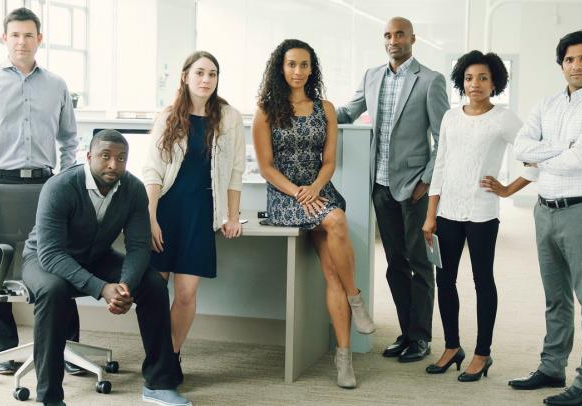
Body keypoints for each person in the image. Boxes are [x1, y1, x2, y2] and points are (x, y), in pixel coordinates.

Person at [22, 130, 190, 406]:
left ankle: (159, 383)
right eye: (106, 156)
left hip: (96, 256)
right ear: (89, 157)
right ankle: (49, 397)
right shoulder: (60, 187)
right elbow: (50, 253)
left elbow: (137, 246)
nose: (114, 164)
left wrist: (124, 286)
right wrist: (102, 289)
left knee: (153, 284)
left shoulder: (133, 189)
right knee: (54, 290)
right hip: (44, 259)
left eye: (121, 158)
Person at [0, 7, 81, 376]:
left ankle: (68, 347)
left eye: (29, 35)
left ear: (39, 39)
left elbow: (70, 141)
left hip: (45, 187)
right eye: (15, 35)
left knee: (57, 263)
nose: (22, 41)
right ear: (4, 39)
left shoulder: (57, 85)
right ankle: (5, 350)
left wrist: (63, 181)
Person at [505, 30, 582, 406]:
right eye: (569, 59)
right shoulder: (548, 104)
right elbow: (520, 146)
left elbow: (580, 159)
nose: (576, 65)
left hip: (581, 214)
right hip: (545, 211)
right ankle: (553, 367)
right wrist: (558, 149)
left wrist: (541, 155)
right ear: (561, 65)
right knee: (555, 299)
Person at [252, 39, 375, 389]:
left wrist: (316, 189)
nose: (298, 71)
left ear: (312, 69)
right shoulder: (265, 110)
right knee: (336, 219)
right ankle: (357, 299)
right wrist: (298, 193)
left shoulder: (326, 108)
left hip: (319, 190)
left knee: (331, 274)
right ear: (281, 67)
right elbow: (266, 167)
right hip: (284, 195)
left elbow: (330, 161)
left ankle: (344, 358)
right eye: (291, 64)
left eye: (304, 65)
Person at [336, 16, 449, 363]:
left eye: (399, 34)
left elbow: (444, 139)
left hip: (413, 187)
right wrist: (313, 110)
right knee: (395, 264)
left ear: (413, 38)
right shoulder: (372, 76)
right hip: (380, 187)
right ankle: (406, 333)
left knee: (419, 264)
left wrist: (426, 181)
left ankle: (422, 338)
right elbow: (348, 112)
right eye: (387, 35)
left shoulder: (430, 81)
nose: (393, 40)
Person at [421, 50, 537, 382]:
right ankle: (452, 347)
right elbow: (440, 166)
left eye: (483, 78)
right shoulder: (450, 118)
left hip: (482, 213)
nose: (475, 84)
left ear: (495, 82)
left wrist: (507, 189)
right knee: (444, 280)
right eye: (470, 78)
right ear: (462, 80)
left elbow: (534, 158)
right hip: (446, 213)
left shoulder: (504, 118)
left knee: (482, 281)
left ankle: (482, 353)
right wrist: (430, 216)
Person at [142, 51, 246, 366]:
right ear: (185, 76)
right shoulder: (168, 116)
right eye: (199, 73)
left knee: (186, 294)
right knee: (154, 294)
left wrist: (231, 215)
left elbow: (235, 172)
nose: (206, 80)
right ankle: (155, 356)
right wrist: (150, 218)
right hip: (166, 212)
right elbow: (153, 172)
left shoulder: (230, 117)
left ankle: (170, 356)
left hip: (201, 215)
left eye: (212, 74)